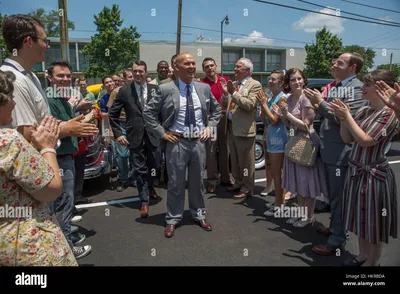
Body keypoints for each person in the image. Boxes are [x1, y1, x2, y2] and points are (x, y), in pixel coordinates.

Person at [0, 70, 77, 266]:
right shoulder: (8, 142)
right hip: (24, 245)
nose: (14, 104)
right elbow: (51, 190)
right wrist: (47, 147)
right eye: (10, 98)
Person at [143, 52, 221, 238]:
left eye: (193, 63)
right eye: (187, 63)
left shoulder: (203, 89)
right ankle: (173, 218)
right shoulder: (164, 89)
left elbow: (217, 110)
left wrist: (210, 127)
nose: (192, 66)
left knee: (197, 183)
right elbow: (148, 113)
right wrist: (163, 133)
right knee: (176, 183)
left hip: (198, 143)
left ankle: (199, 214)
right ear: (176, 67)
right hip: (176, 142)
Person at [328, 69, 399, 266]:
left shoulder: (389, 114)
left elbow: (366, 140)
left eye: (367, 85)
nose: (363, 88)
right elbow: (347, 138)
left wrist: (347, 116)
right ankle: (362, 255)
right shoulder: (365, 110)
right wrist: (344, 118)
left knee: (373, 223)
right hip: (356, 171)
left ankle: (372, 262)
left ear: (380, 89)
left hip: (374, 175)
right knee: (359, 219)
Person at [305, 52, 368, 255]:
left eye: (339, 63)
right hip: (330, 150)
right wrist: (319, 102)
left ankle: (337, 241)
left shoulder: (356, 89)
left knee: (340, 198)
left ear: (353, 68)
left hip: (342, 153)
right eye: (334, 62)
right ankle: (335, 228)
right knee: (333, 196)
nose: (333, 65)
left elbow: (345, 119)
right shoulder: (338, 86)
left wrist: (320, 103)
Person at [273, 68, 327, 227]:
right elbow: (289, 126)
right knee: (298, 184)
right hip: (293, 143)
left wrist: (287, 115)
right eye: (292, 80)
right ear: (288, 83)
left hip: (306, 144)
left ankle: (309, 217)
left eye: (299, 79)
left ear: (304, 80)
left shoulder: (306, 99)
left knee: (307, 184)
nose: (296, 82)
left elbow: (305, 125)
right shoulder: (288, 99)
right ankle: (300, 214)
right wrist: (283, 116)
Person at [109, 60, 161, 218]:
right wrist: (119, 134)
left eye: (141, 71)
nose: (138, 74)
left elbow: (163, 112)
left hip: (154, 136)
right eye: (135, 71)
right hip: (134, 136)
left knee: (155, 166)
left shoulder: (156, 90)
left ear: (146, 72)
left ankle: (150, 186)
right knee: (140, 169)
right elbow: (113, 115)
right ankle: (144, 200)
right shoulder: (124, 91)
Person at [221, 58, 262, 199]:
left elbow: (250, 104)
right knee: (235, 159)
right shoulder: (234, 84)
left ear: (247, 70)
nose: (235, 69)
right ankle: (237, 183)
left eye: (238, 67)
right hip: (231, 127)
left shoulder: (255, 85)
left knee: (246, 162)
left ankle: (247, 188)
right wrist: (225, 93)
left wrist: (233, 93)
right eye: (235, 66)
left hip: (244, 129)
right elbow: (225, 103)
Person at [256, 70, 288, 216]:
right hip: (270, 137)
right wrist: (263, 105)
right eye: (269, 79)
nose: (270, 81)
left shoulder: (282, 99)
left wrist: (263, 104)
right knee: (273, 170)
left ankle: (279, 204)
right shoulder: (270, 99)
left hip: (279, 138)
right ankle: (278, 201)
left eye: (273, 79)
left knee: (277, 172)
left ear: (281, 83)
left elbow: (275, 120)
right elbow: (265, 121)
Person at [200, 57, 232, 193]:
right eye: (206, 66)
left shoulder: (225, 80)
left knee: (225, 148)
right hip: (210, 119)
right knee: (211, 150)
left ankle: (226, 178)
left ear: (216, 66)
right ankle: (212, 180)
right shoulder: (202, 84)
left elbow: (233, 97)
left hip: (225, 117)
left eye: (212, 65)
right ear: (203, 69)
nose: (210, 68)